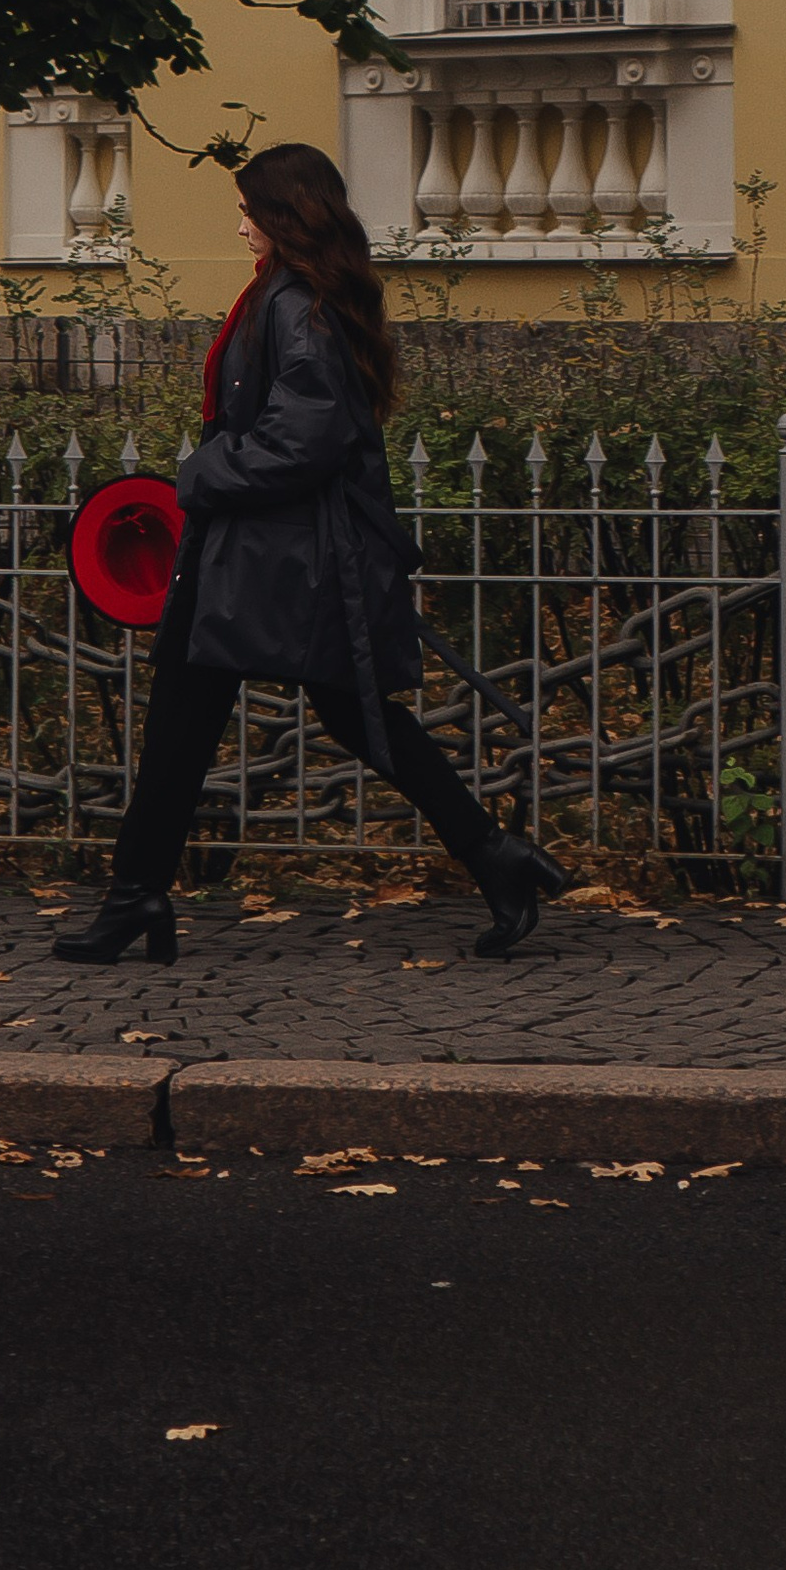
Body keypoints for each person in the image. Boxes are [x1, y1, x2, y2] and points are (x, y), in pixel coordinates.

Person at [54, 141, 566, 966]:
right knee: (296, 717)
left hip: (276, 561)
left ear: (287, 215)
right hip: (274, 555)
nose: (240, 222)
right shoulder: (297, 295)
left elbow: (309, 432)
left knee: (251, 720)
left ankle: (136, 898)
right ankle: (137, 896)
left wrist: (200, 473)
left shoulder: (295, 303)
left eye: (250, 207)